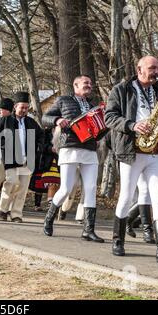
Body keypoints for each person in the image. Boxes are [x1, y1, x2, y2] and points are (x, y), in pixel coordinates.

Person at [105, 55, 158, 262]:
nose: (156, 72)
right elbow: (109, 117)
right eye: (152, 68)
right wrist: (132, 125)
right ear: (139, 69)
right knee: (126, 196)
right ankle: (118, 240)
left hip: (156, 151)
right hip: (131, 150)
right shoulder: (121, 89)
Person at [42, 75, 107, 242]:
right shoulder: (63, 100)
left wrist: (103, 127)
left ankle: (88, 230)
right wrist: (57, 120)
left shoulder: (94, 105)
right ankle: (49, 219)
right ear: (76, 84)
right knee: (66, 188)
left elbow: (101, 129)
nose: (89, 85)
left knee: (91, 188)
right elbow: (45, 118)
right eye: (86, 82)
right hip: (69, 147)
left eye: (90, 83)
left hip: (90, 149)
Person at [0, 91, 44, 223]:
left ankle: (16, 214)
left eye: (26, 108)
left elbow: (41, 136)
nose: (24, 110)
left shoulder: (31, 122)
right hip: (10, 159)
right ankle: (3, 209)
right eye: (22, 107)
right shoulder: (5, 121)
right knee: (10, 183)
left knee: (22, 188)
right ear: (15, 107)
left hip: (27, 160)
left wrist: (38, 148)